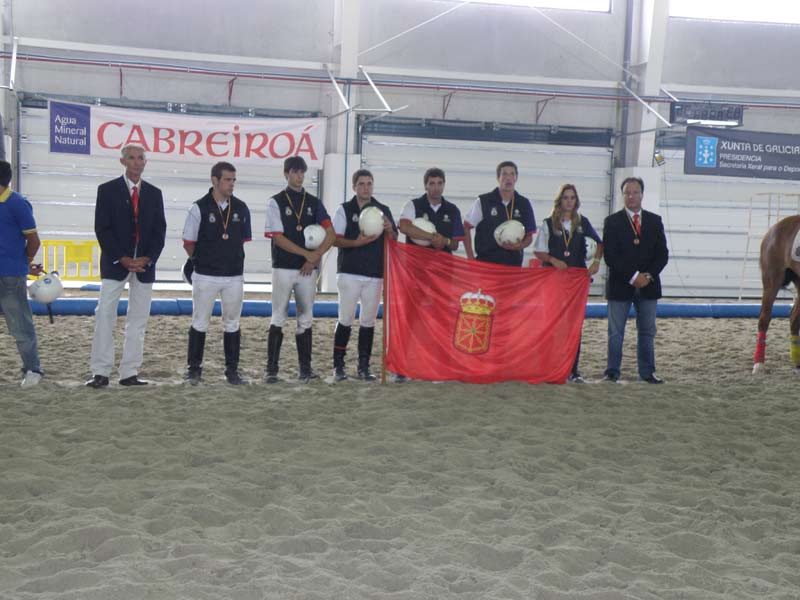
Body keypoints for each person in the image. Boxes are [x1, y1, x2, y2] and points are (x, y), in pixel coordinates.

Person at [86, 144, 166, 388]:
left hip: (144, 266)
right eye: (131, 158)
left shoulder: (154, 193)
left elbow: (159, 231)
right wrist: (121, 257)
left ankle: (129, 372)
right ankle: (100, 372)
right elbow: (102, 229)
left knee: (138, 319)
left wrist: (148, 258)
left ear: (145, 162)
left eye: (140, 158)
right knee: (105, 315)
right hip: (115, 263)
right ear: (123, 161)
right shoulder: (107, 190)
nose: (136, 162)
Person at [264, 156, 335, 383]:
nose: (299, 176)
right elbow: (278, 238)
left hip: (307, 270)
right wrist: (307, 254)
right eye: (294, 172)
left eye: (302, 172)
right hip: (283, 267)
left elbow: (331, 233)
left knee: (306, 317)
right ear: (286, 174)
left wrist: (315, 258)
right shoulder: (275, 202)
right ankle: (271, 370)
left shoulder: (314, 202)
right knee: (278, 317)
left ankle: (305, 369)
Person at [182, 162, 251, 386]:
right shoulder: (198, 207)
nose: (231, 184)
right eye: (227, 180)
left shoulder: (241, 208)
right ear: (214, 180)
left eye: (233, 180)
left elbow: (241, 241)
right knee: (200, 322)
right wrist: (202, 261)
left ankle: (232, 370)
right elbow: (189, 243)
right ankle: (194, 369)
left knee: (232, 323)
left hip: (233, 276)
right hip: (205, 275)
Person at [332, 169, 398, 382]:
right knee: (345, 319)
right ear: (354, 187)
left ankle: (363, 366)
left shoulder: (383, 210)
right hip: (349, 272)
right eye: (361, 184)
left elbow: (395, 239)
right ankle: (339, 365)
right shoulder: (344, 209)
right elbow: (335, 239)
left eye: (369, 183)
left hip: (374, 273)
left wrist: (389, 229)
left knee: (368, 321)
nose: (366, 187)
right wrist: (356, 243)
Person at [533, 183, 603, 383]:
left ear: (576, 201)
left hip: (575, 283)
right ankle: (549, 366)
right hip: (553, 280)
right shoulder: (548, 223)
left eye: (572, 198)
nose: (569, 201)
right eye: (566, 197)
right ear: (560, 200)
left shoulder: (582, 222)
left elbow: (599, 243)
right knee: (552, 324)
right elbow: (538, 251)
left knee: (573, 326)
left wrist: (596, 262)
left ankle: (573, 370)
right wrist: (554, 260)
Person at [602, 176, 669, 384]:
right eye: (627, 193)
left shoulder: (655, 221)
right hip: (620, 285)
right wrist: (633, 276)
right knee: (615, 332)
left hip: (649, 285)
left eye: (635, 192)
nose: (631, 196)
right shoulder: (611, 222)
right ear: (622, 195)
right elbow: (611, 256)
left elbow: (662, 254)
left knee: (647, 331)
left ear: (642, 194)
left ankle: (647, 372)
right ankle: (612, 371)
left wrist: (647, 276)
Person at [0, 159, 45, 388]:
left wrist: (24, 262)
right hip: (11, 272)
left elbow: (33, 240)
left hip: (10, 276)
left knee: (20, 326)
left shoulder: (17, 203)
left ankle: (32, 369)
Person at [463, 161, 536, 265]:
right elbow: (466, 227)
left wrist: (520, 246)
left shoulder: (524, 203)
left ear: (516, 178)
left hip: (513, 266)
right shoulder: (483, 201)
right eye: (504, 174)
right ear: (498, 178)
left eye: (512, 174)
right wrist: (470, 258)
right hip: (486, 265)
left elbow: (529, 236)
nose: (508, 178)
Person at [398, 167, 464, 253]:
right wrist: (432, 237)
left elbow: (455, 245)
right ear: (425, 186)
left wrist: (445, 241)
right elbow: (404, 227)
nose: (436, 188)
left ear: (444, 184)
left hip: (443, 264)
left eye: (440, 183)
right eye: (432, 184)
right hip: (417, 264)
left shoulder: (453, 210)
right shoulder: (412, 205)